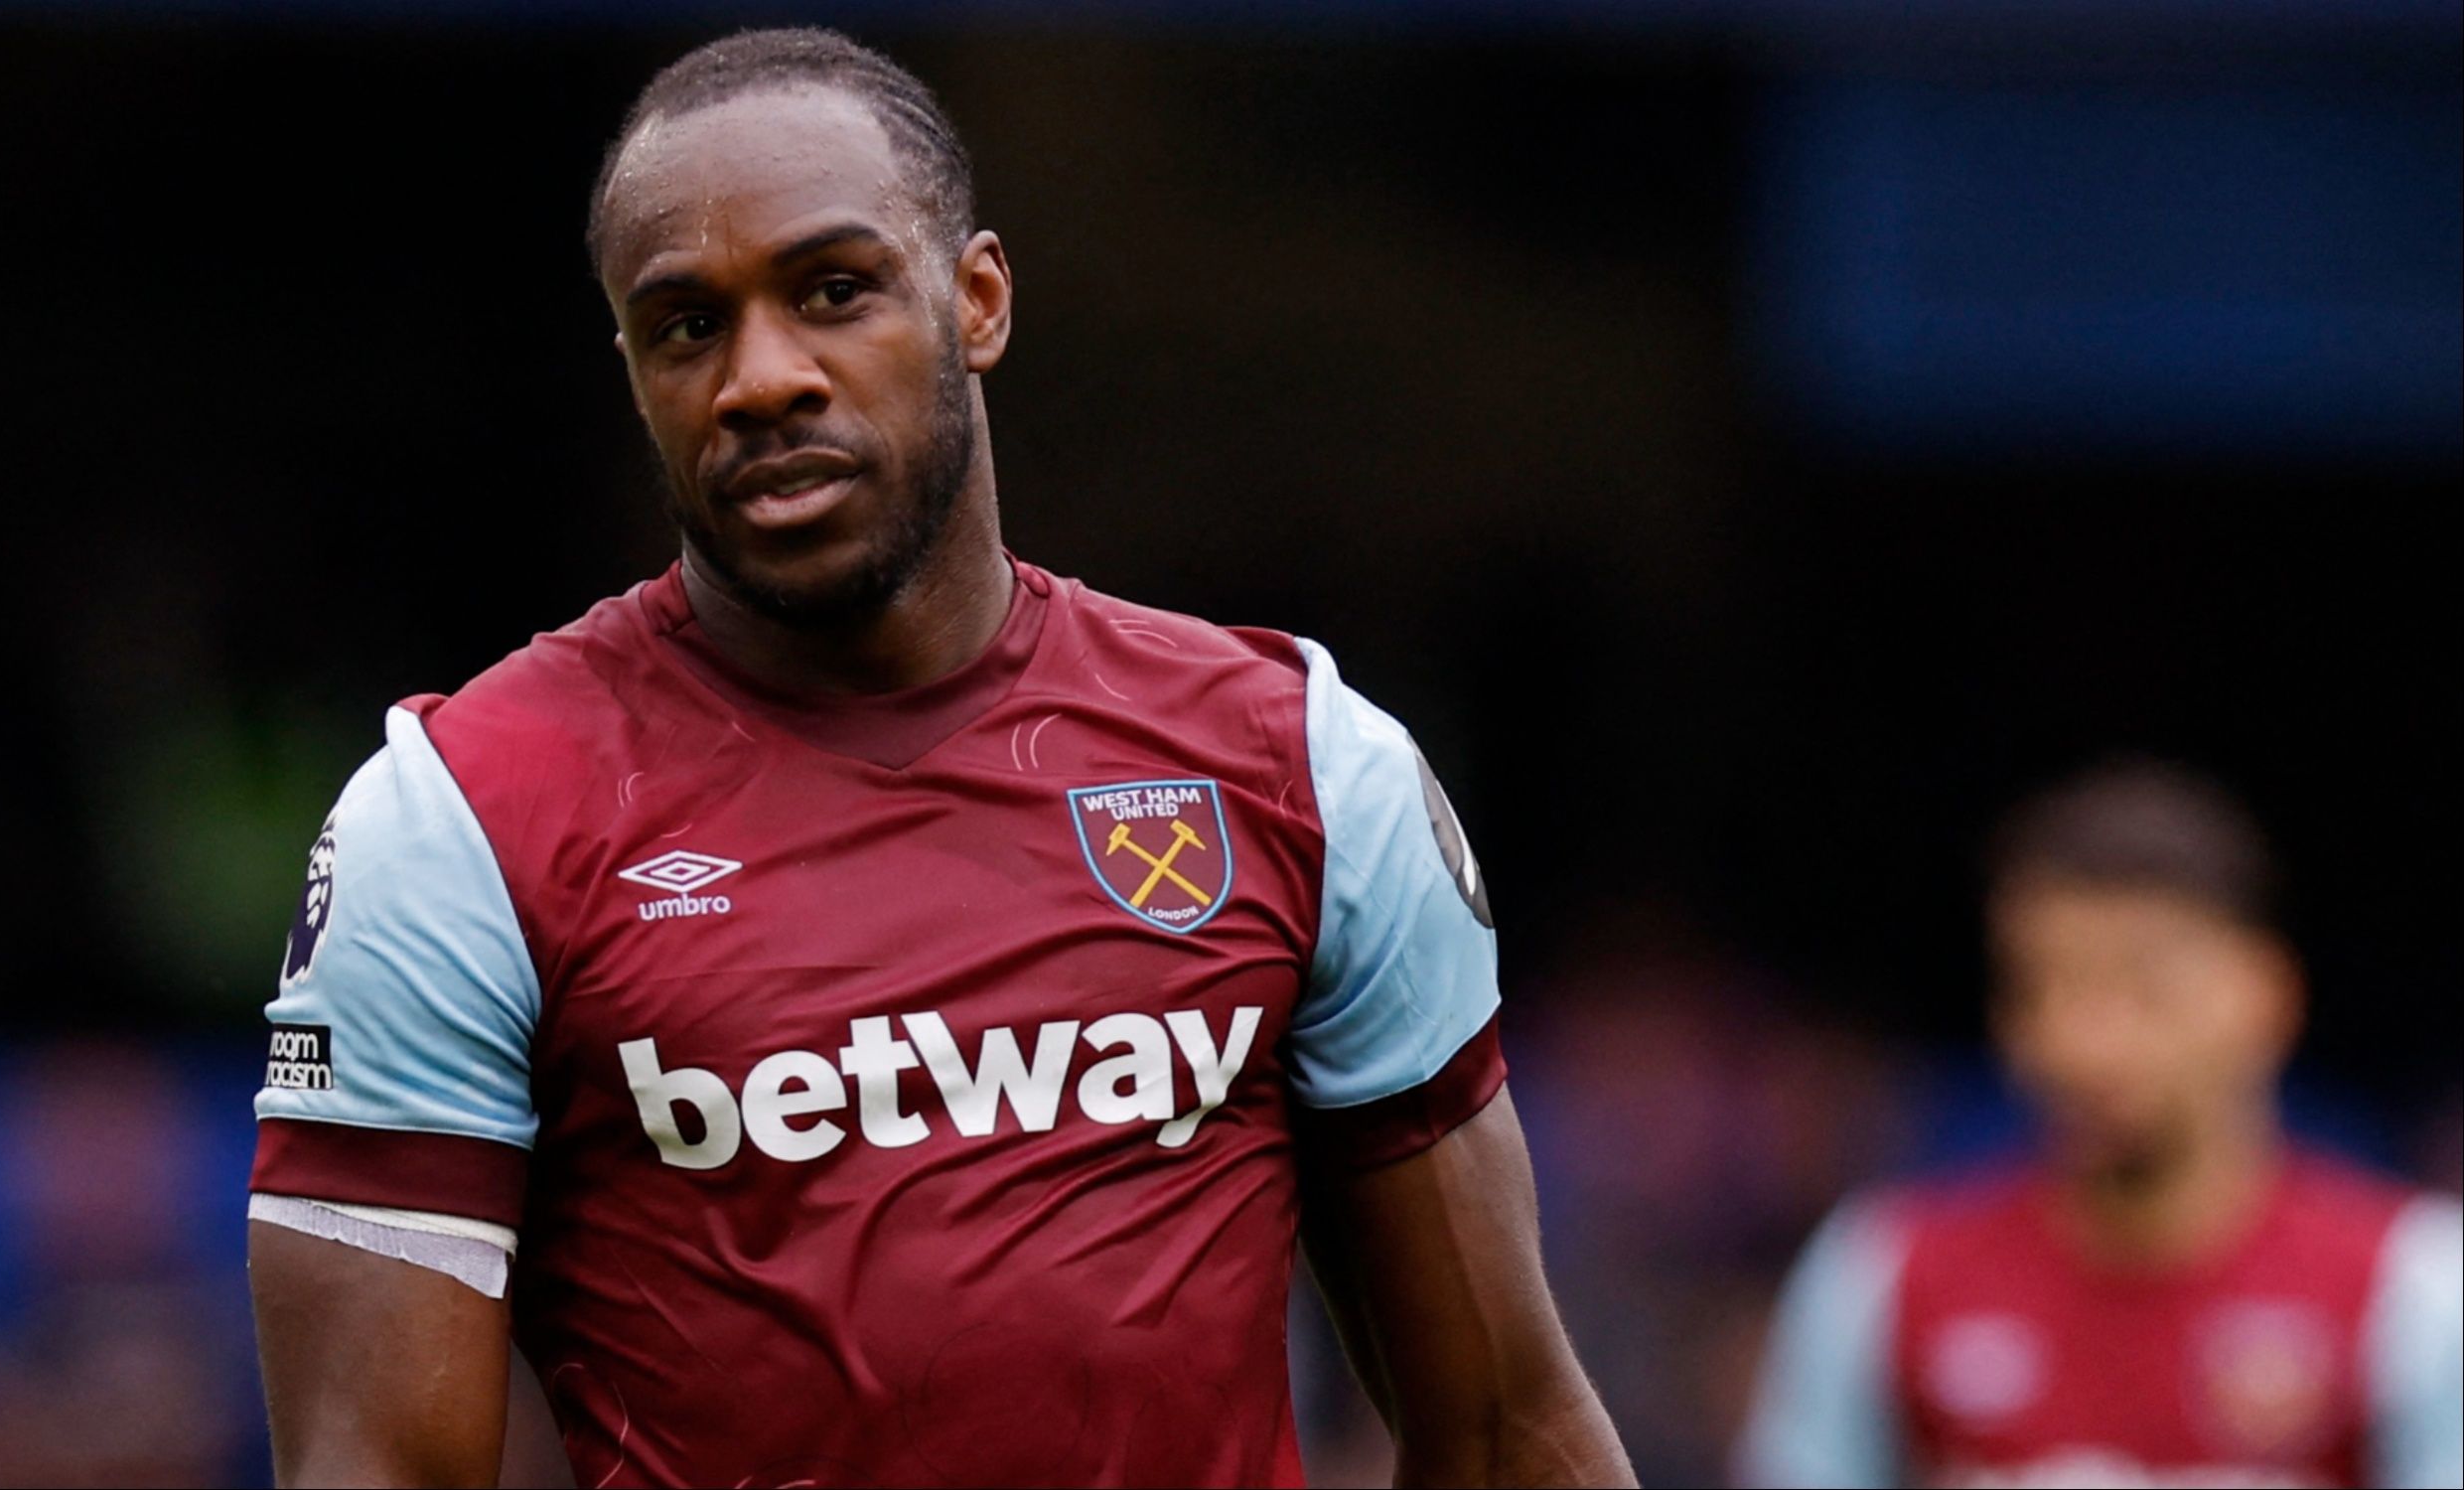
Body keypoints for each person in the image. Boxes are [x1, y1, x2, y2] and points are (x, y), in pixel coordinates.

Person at [240, 26, 1633, 1490]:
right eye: (686, 325)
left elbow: (1504, 1428)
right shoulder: (460, 821)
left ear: (977, 299)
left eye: (835, 291)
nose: (761, 377)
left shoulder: (1296, 762)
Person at [1739, 762, 2463, 1488]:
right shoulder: (1880, 1271)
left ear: (2267, 996)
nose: (2086, 1042)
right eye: (2043, 988)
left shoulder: (2416, 1283)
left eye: (2146, 990)